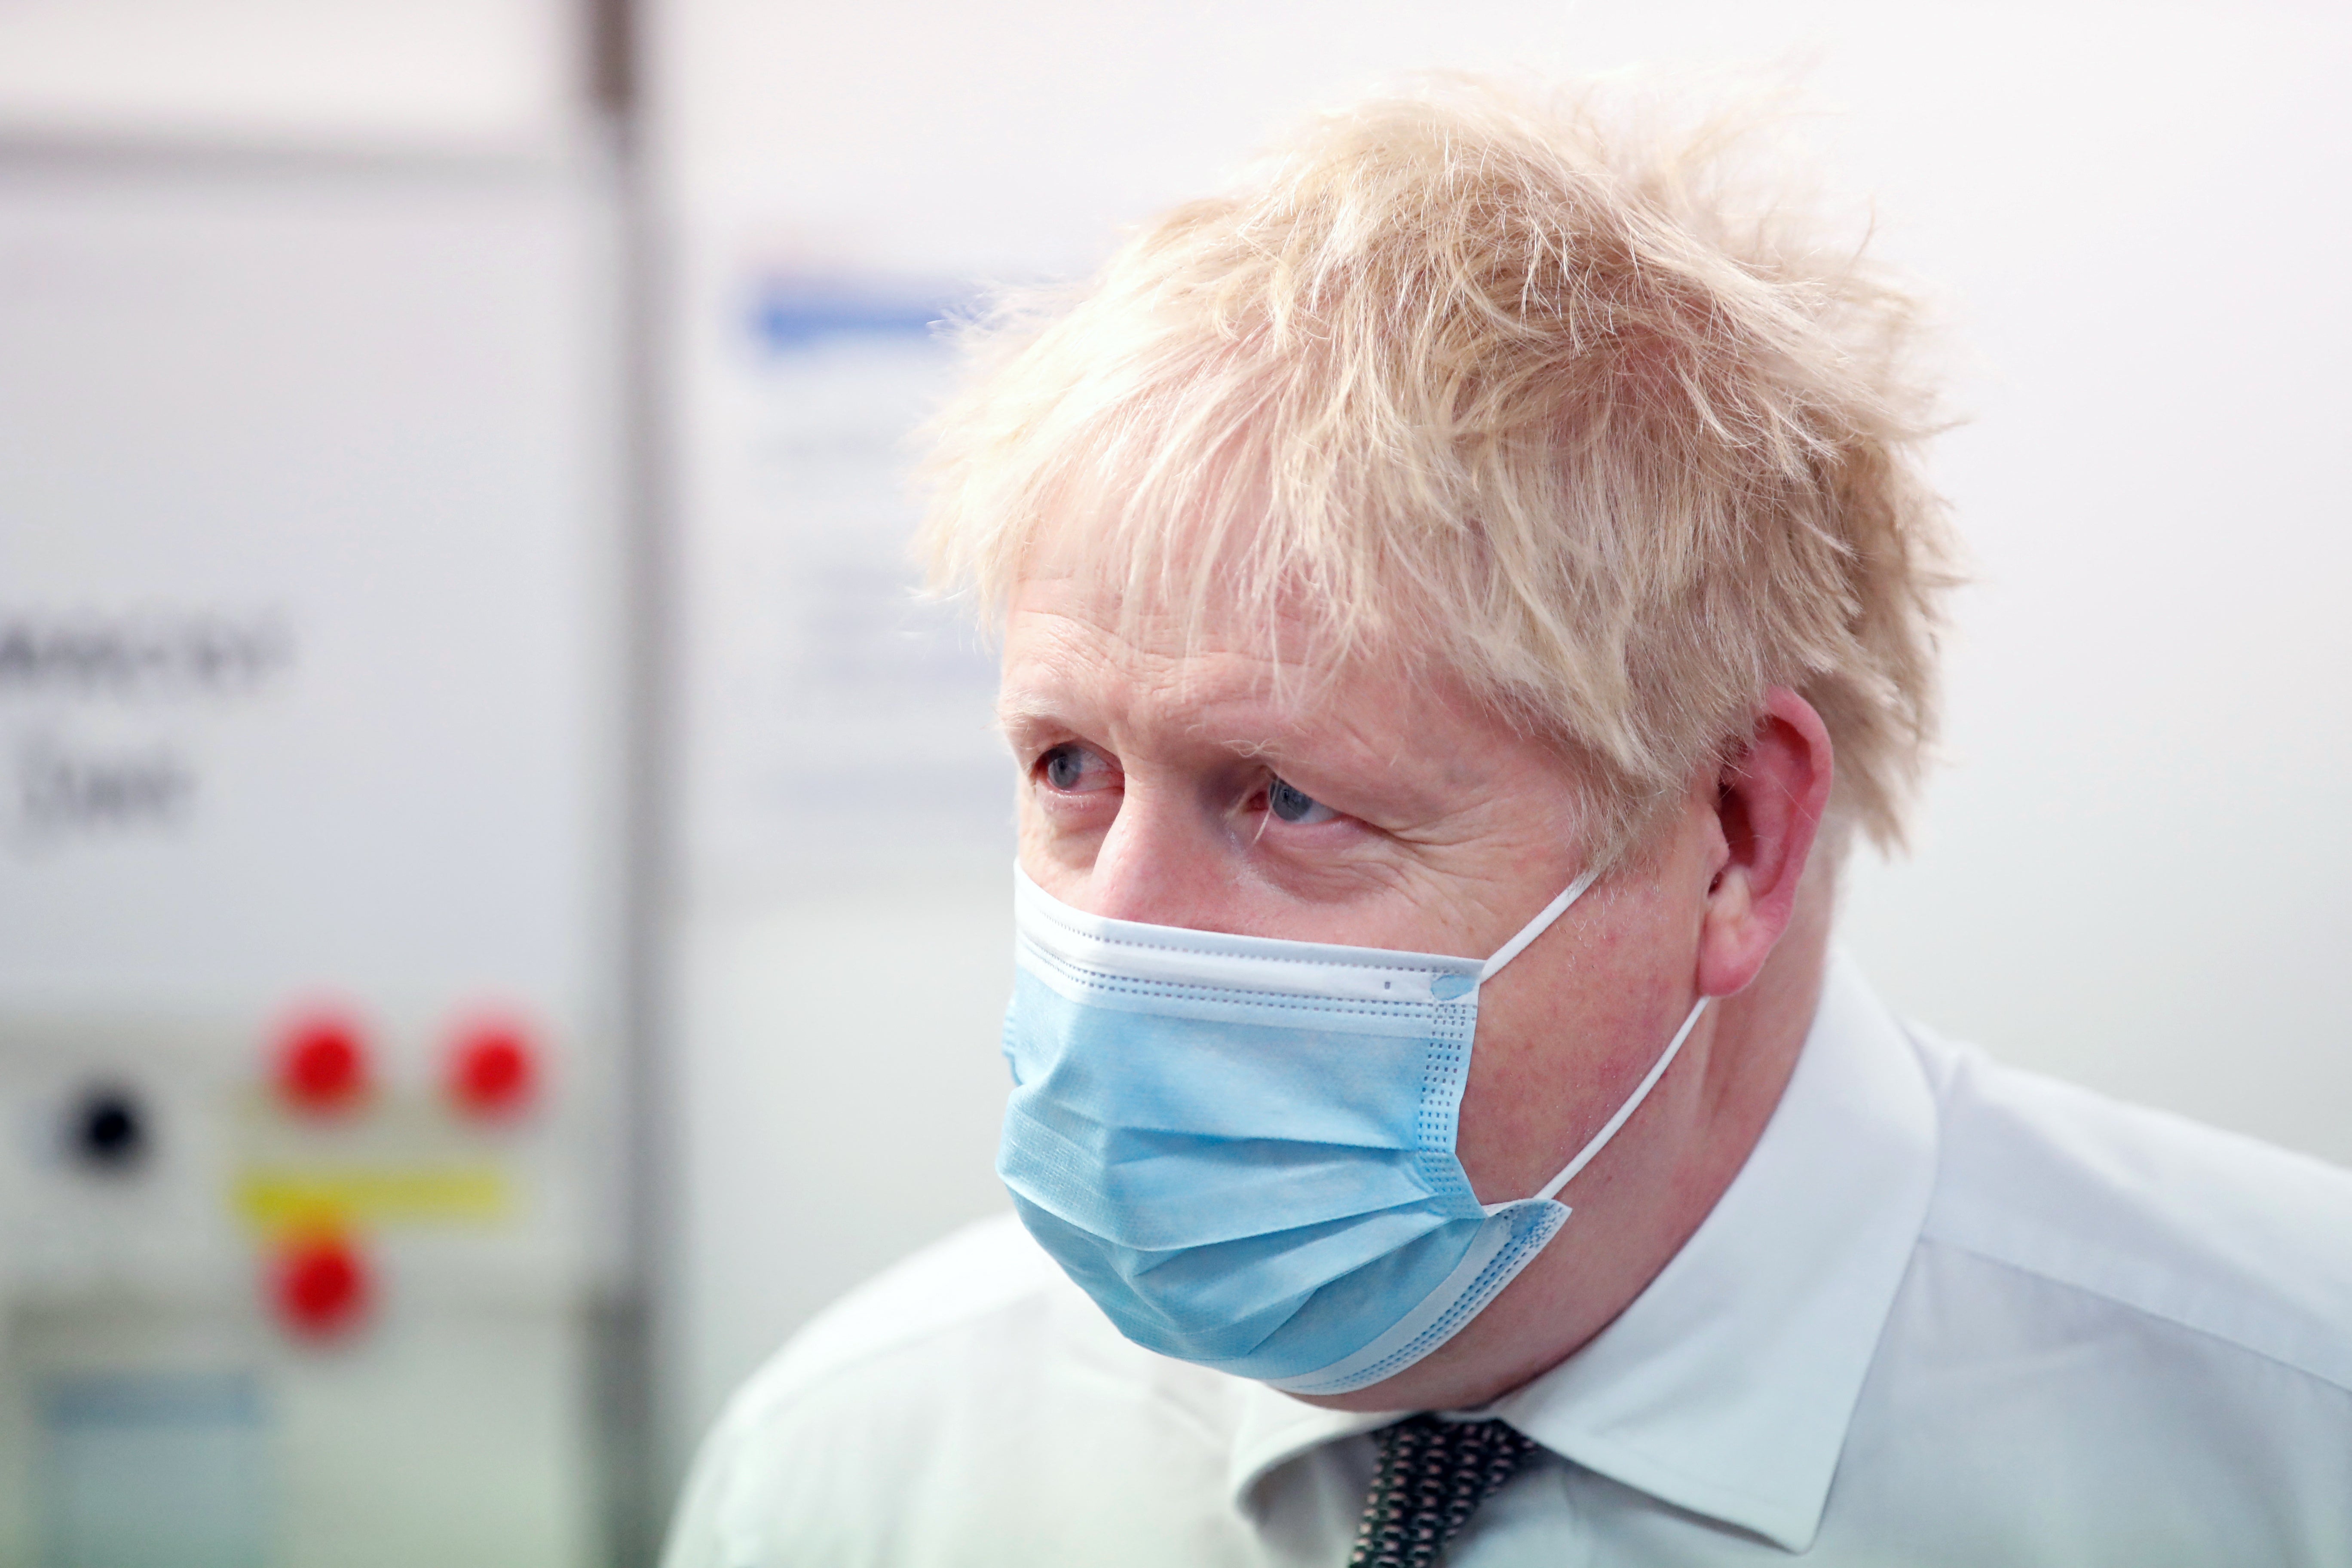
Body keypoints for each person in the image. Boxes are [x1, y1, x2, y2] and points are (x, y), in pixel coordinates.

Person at [665, 78, 2352, 1565]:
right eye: (1068, 772)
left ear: (1736, 838)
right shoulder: (861, 1467)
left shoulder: (2285, 1436)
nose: (1118, 939)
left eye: (1289, 798)